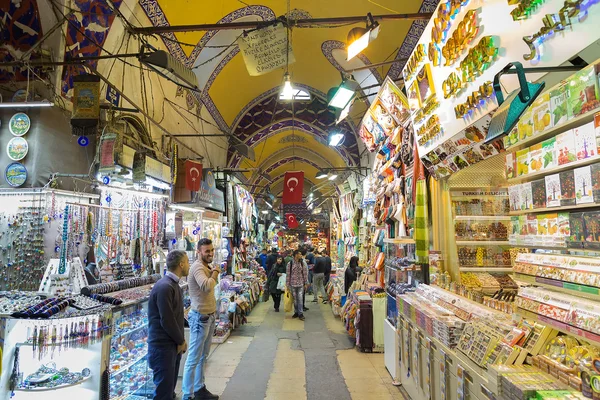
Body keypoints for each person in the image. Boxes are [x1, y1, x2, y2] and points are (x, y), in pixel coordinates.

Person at [147, 250, 189, 400]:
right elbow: (167, 320)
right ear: (181, 264)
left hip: (170, 347)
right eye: (188, 262)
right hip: (162, 348)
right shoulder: (165, 287)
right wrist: (181, 341)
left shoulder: (173, 285)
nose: (189, 265)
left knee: (168, 390)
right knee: (163, 393)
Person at [183, 238, 220, 400]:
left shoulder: (206, 266)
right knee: (193, 358)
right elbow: (206, 285)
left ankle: (199, 388)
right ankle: (187, 394)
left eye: (212, 250)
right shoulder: (198, 267)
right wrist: (216, 273)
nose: (210, 253)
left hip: (208, 316)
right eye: (207, 251)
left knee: (203, 356)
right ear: (199, 252)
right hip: (200, 319)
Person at [286, 249, 309, 320]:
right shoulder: (290, 264)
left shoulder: (303, 263)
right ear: (296, 255)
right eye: (300, 254)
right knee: (295, 300)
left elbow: (305, 273)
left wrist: (306, 283)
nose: (301, 256)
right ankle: (296, 312)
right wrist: (287, 284)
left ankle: (301, 313)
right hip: (292, 284)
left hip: (301, 284)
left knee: (300, 298)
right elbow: (288, 274)